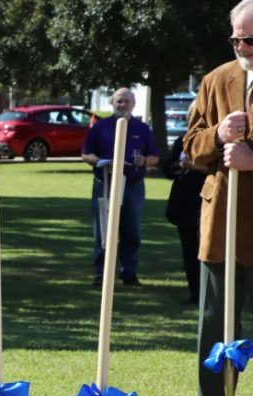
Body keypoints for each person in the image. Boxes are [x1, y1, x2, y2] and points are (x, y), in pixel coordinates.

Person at [181, 0, 253, 396]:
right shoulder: (215, 79)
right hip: (222, 224)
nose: (244, 47)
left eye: (251, 39)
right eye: (237, 39)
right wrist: (219, 136)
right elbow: (190, 148)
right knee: (214, 326)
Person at [82, 88, 159, 287]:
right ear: (112, 103)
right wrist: (98, 162)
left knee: (131, 231)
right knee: (102, 230)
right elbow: (86, 153)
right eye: (119, 101)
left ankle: (129, 274)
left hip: (132, 186)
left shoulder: (142, 129)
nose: (122, 105)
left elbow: (155, 157)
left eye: (126, 101)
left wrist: (143, 161)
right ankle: (101, 275)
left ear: (133, 104)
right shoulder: (101, 126)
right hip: (104, 184)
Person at [163, 125, 207, 306]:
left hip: (208, 200)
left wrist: (192, 166)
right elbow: (168, 169)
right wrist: (178, 166)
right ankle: (195, 293)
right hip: (184, 205)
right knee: (190, 250)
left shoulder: (219, 138)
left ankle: (215, 294)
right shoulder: (182, 140)